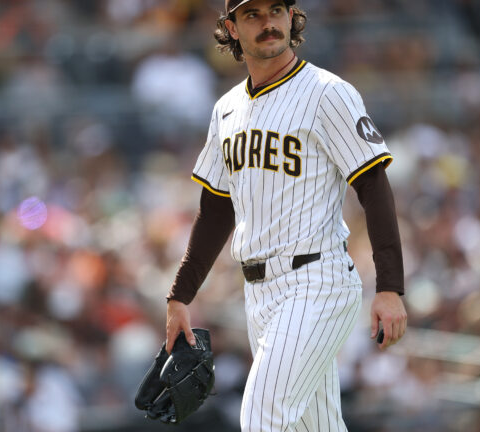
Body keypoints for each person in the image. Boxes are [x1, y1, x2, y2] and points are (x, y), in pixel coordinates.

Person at [164, 0, 407, 430]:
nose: (268, 23)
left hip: (316, 280)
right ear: (231, 28)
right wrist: (180, 296)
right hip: (259, 294)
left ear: (292, 16)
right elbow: (216, 210)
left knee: (262, 416)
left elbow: (373, 185)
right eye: (252, 14)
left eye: (276, 10)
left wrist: (390, 287)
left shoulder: (328, 93)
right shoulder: (226, 110)